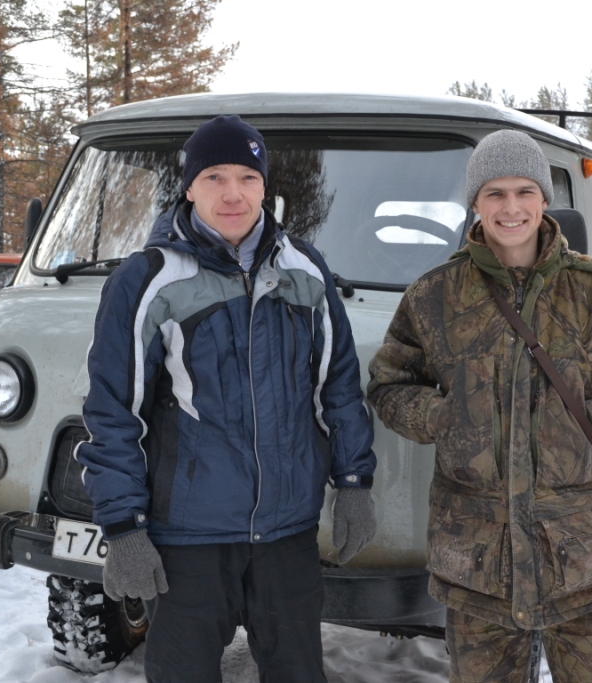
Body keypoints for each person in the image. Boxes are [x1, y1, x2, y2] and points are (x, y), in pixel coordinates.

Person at [367, 130, 592, 683]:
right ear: (475, 202)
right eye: (494, 193)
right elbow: (389, 385)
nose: (510, 208)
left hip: (580, 552)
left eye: (524, 192)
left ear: (544, 199)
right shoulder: (434, 296)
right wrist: (442, 417)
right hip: (477, 559)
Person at [76, 115, 377, 683]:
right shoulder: (148, 280)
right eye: (214, 177)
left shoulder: (305, 269)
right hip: (189, 538)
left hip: (287, 533)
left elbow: (338, 386)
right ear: (189, 187)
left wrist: (354, 482)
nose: (233, 193)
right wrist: (123, 527)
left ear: (265, 186)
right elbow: (113, 413)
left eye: (247, 177)